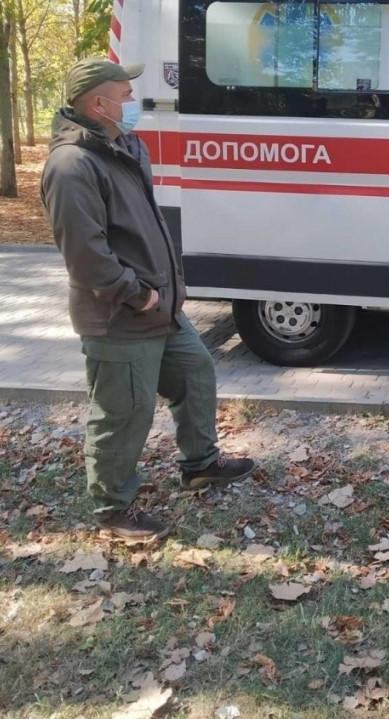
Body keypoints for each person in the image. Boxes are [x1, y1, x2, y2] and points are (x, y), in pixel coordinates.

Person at [41, 56, 256, 543]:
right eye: (126, 95)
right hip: (120, 315)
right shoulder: (72, 166)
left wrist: (165, 293)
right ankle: (114, 509)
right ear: (98, 104)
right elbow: (87, 257)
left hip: (161, 308)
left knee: (195, 372)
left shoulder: (124, 146)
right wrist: (138, 296)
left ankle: (200, 464)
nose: (134, 102)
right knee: (123, 413)